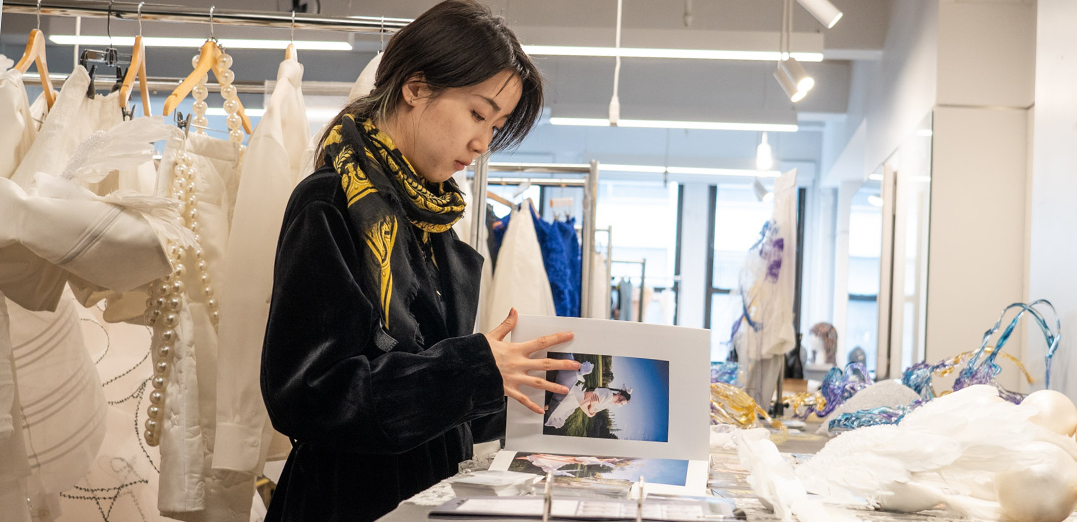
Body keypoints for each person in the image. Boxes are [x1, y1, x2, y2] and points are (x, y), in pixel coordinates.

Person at [259, 2, 579, 521]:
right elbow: (308, 395)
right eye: (477, 114)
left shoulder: (433, 226)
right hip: (344, 503)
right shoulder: (332, 202)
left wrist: (527, 386)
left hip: (423, 499)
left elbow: (434, 411)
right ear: (416, 87)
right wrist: (472, 369)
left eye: (495, 126)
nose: (482, 144)